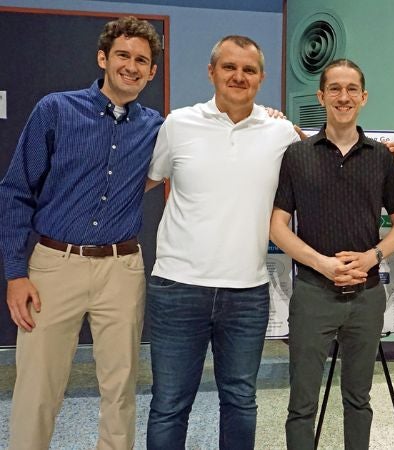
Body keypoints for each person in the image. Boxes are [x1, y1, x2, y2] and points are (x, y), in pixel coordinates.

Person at [0, 16, 162, 449]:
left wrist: (278, 122)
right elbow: (16, 192)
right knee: (37, 389)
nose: (131, 66)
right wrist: (16, 272)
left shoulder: (157, 127)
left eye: (142, 60)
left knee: (121, 389)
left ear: (152, 72)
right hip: (53, 266)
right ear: (103, 58)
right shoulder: (55, 110)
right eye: (123, 55)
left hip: (122, 269)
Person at [144, 35, 301, 449]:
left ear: (261, 78)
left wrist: (389, 155)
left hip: (247, 293)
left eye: (249, 70)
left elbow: (321, 161)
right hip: (177, 287)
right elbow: (144, 180)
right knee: (170, 403)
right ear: (211, 71)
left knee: (240, 401)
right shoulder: (178, 124)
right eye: (229, 67)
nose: (239, 76)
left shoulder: (280, 131)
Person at [270, 58, 394, 450]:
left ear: (363, 97)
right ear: (321, 96)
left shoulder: (382, 158)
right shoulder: (297, 155)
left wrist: (372, 257)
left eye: (351, 89)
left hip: (365, 296)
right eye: (335, 88)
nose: (343, 97)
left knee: (359, 399)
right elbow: (277, 226)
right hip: (314, 293)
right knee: (301, 403)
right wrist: (322, 264)